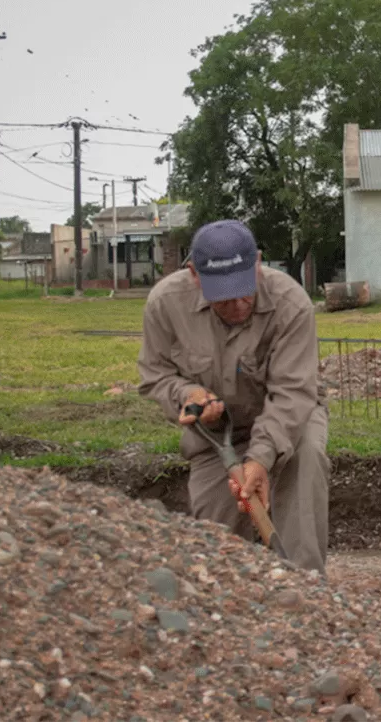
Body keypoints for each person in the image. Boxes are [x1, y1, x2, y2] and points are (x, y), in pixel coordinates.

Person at [138, 219, 330, 574]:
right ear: (194, 274)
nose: (239, 303)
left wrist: (259, 459)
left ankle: (305, 592)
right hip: (216, 436)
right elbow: (154, 376)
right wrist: (187, 394)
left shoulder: (292, 304)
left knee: (305, 463)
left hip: (290, 419)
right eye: (223, 295)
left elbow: (291, 393)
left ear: (257, 263)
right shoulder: (165, 304)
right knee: (216, 549)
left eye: (244, 288)